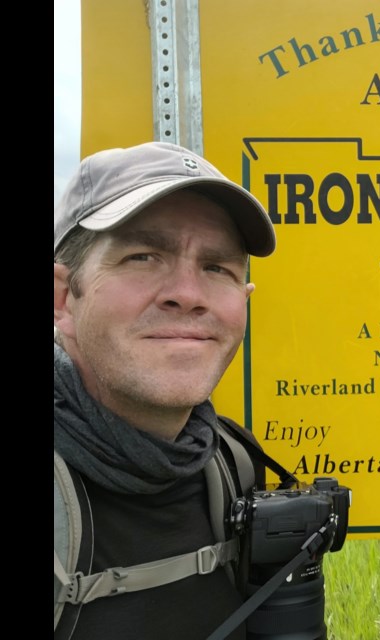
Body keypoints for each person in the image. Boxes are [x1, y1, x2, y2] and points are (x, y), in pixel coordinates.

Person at [54, 141, 276, 639]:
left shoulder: (236, 464)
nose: (189, 295)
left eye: (217, 267)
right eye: (143, 256)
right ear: (63, 298)